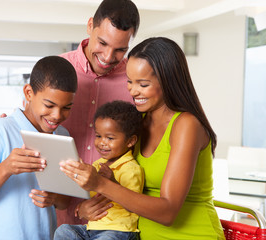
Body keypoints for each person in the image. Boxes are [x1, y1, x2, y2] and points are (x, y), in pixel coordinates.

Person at [59, 37, 226, 239]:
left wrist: (100, 185)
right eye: (129, 81)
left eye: (143, 84)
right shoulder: (136, 123)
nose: (133, 91)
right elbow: (123, 187)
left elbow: (168, 212)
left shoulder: (186, 125)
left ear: (168, 82)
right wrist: (86, 207)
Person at [0, 56, 78, 240]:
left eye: (67, 107)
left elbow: (64, 202)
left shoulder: (63, 136)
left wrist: (54, 197)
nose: (57, 115)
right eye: (49, 105)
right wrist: (6, 168)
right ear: (29, 93)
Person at [58, 0, 140, 226]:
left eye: (120, 49)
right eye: (102, 42)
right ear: (90, 25)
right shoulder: (58, 68)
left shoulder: (134, 82)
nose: (108, 56)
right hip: (57, 212)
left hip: (110, 217)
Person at [54, 100, 144, 240]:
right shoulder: (97, 164)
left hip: (118, 231)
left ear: (130, 141)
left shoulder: (131, 169)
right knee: (63, 231)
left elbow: (134, 206)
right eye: (98, 136)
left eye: (110, 138)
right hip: (92, 229)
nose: (102, 143)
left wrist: (112, 182)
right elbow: (88, 193)